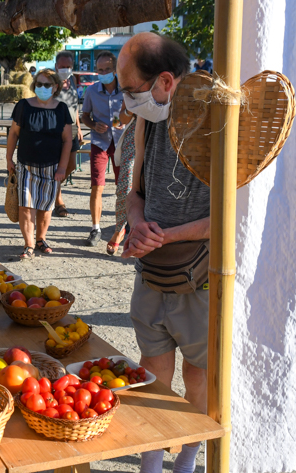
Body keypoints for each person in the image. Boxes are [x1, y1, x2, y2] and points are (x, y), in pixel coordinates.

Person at [118, 32, 210, 473]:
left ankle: (188, 457)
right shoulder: (147, 120)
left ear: (166, 82)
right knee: (151, 370)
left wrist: (168, 236)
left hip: (201, 276)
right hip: (152, 271)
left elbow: (232, 220)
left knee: (199, 372)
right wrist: (137, 223)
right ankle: (151, 459)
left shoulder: (218, 123)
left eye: (130, 88)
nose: (126, 98)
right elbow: (135, 192)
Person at [6, 69, 73, 259]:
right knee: (26, 207)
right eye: (39, 84)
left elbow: (67, 140)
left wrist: (62, 167)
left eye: (47, 84)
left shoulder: (61, 109)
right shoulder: (23, 106)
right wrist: (8, 158)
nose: (42, 88)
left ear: (56, 87)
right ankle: (28, 245)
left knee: (46, 207)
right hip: (26, 165)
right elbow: (13, 133)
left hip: (52, 167)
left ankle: (41, 239)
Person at [81, 51, 124, 246]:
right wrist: (92, 125)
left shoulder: (126, 90)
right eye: (100, 70)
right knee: (97, 186)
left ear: (115, 70)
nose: (103, 72)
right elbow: (85, 116)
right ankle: (95, 228)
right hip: (100, 142)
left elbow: (135, 114)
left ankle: (122, 227)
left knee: (123, 188)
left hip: (121, 142)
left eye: (107, 69)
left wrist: (123, 122)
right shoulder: (91, 91)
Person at [53, 51, 84, 218]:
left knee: (71, 165)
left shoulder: (72, 80)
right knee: (60, 165)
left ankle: (52, 190)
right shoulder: (50, 81)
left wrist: (78, 127)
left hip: (71, 128)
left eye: (68, 66)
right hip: (57, 130)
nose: (65, 69)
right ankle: (58, 201)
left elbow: (75, 105)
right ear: (56, 65)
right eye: (62, 66)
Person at [107, 102, 135, 255]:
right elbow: (118, 121)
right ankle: (120, 229)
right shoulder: (132, 87)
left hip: (163, 134)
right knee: (125, 186)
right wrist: (132, 107)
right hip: (134, 135)